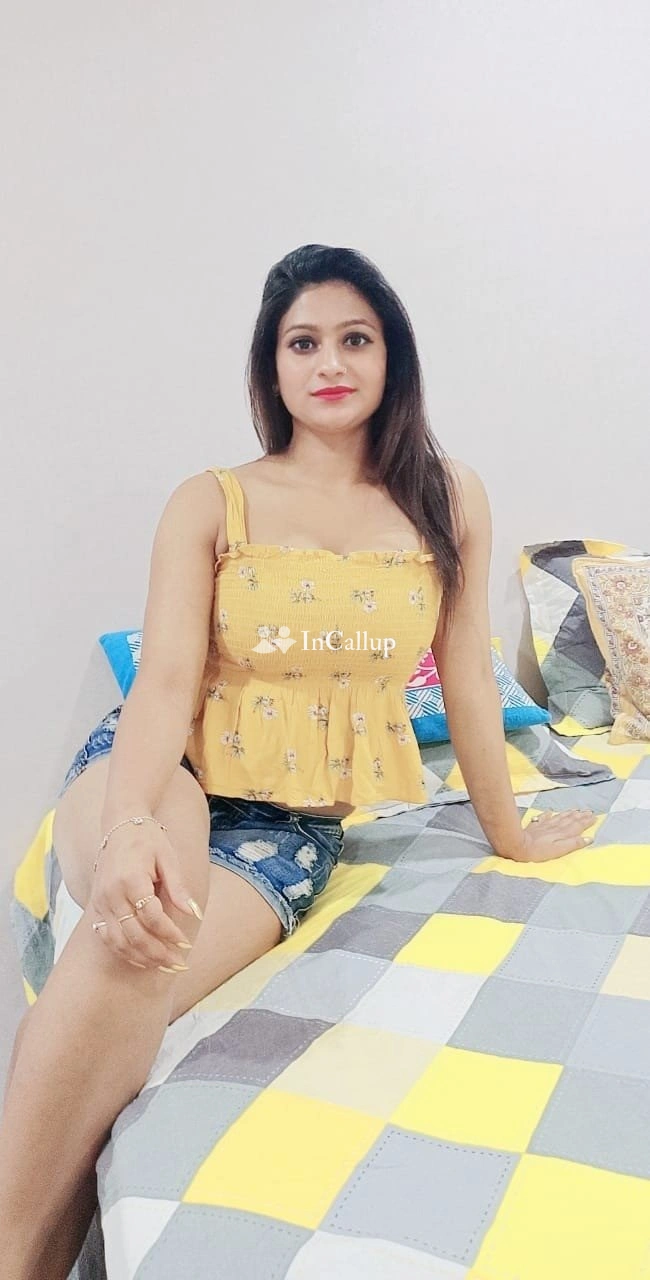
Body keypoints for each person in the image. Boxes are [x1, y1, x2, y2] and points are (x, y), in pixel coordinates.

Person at [0, 244, 595, 1278]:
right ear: (270, 367)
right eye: (302, 342)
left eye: (354, 338)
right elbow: (165, 681)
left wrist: (508, 832)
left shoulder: (445, 497)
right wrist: (130, 821)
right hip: (159, 772)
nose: (329, 362)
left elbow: (466, 674)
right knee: (136, 906)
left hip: (287, 827)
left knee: (133, 960)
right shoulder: (210, 499)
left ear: (391, 355)